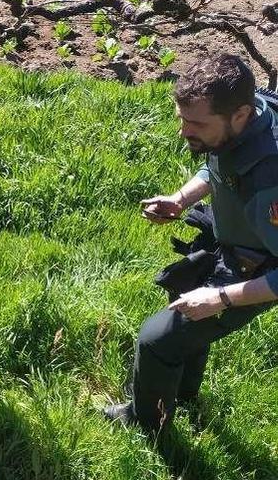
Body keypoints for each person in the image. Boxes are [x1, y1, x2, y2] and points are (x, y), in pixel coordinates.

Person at [104, 54, 278, 432]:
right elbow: (219, 161)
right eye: (182, 118)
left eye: (197, 123)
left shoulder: (271, 183)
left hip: (256, 268)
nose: (184, 131)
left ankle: (145, 424)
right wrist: (182, 199)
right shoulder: (251, 117)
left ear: (240, 114)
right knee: (183, 324)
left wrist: (222, 297)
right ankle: (182, 397)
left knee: (156, 339)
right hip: (233, 239)